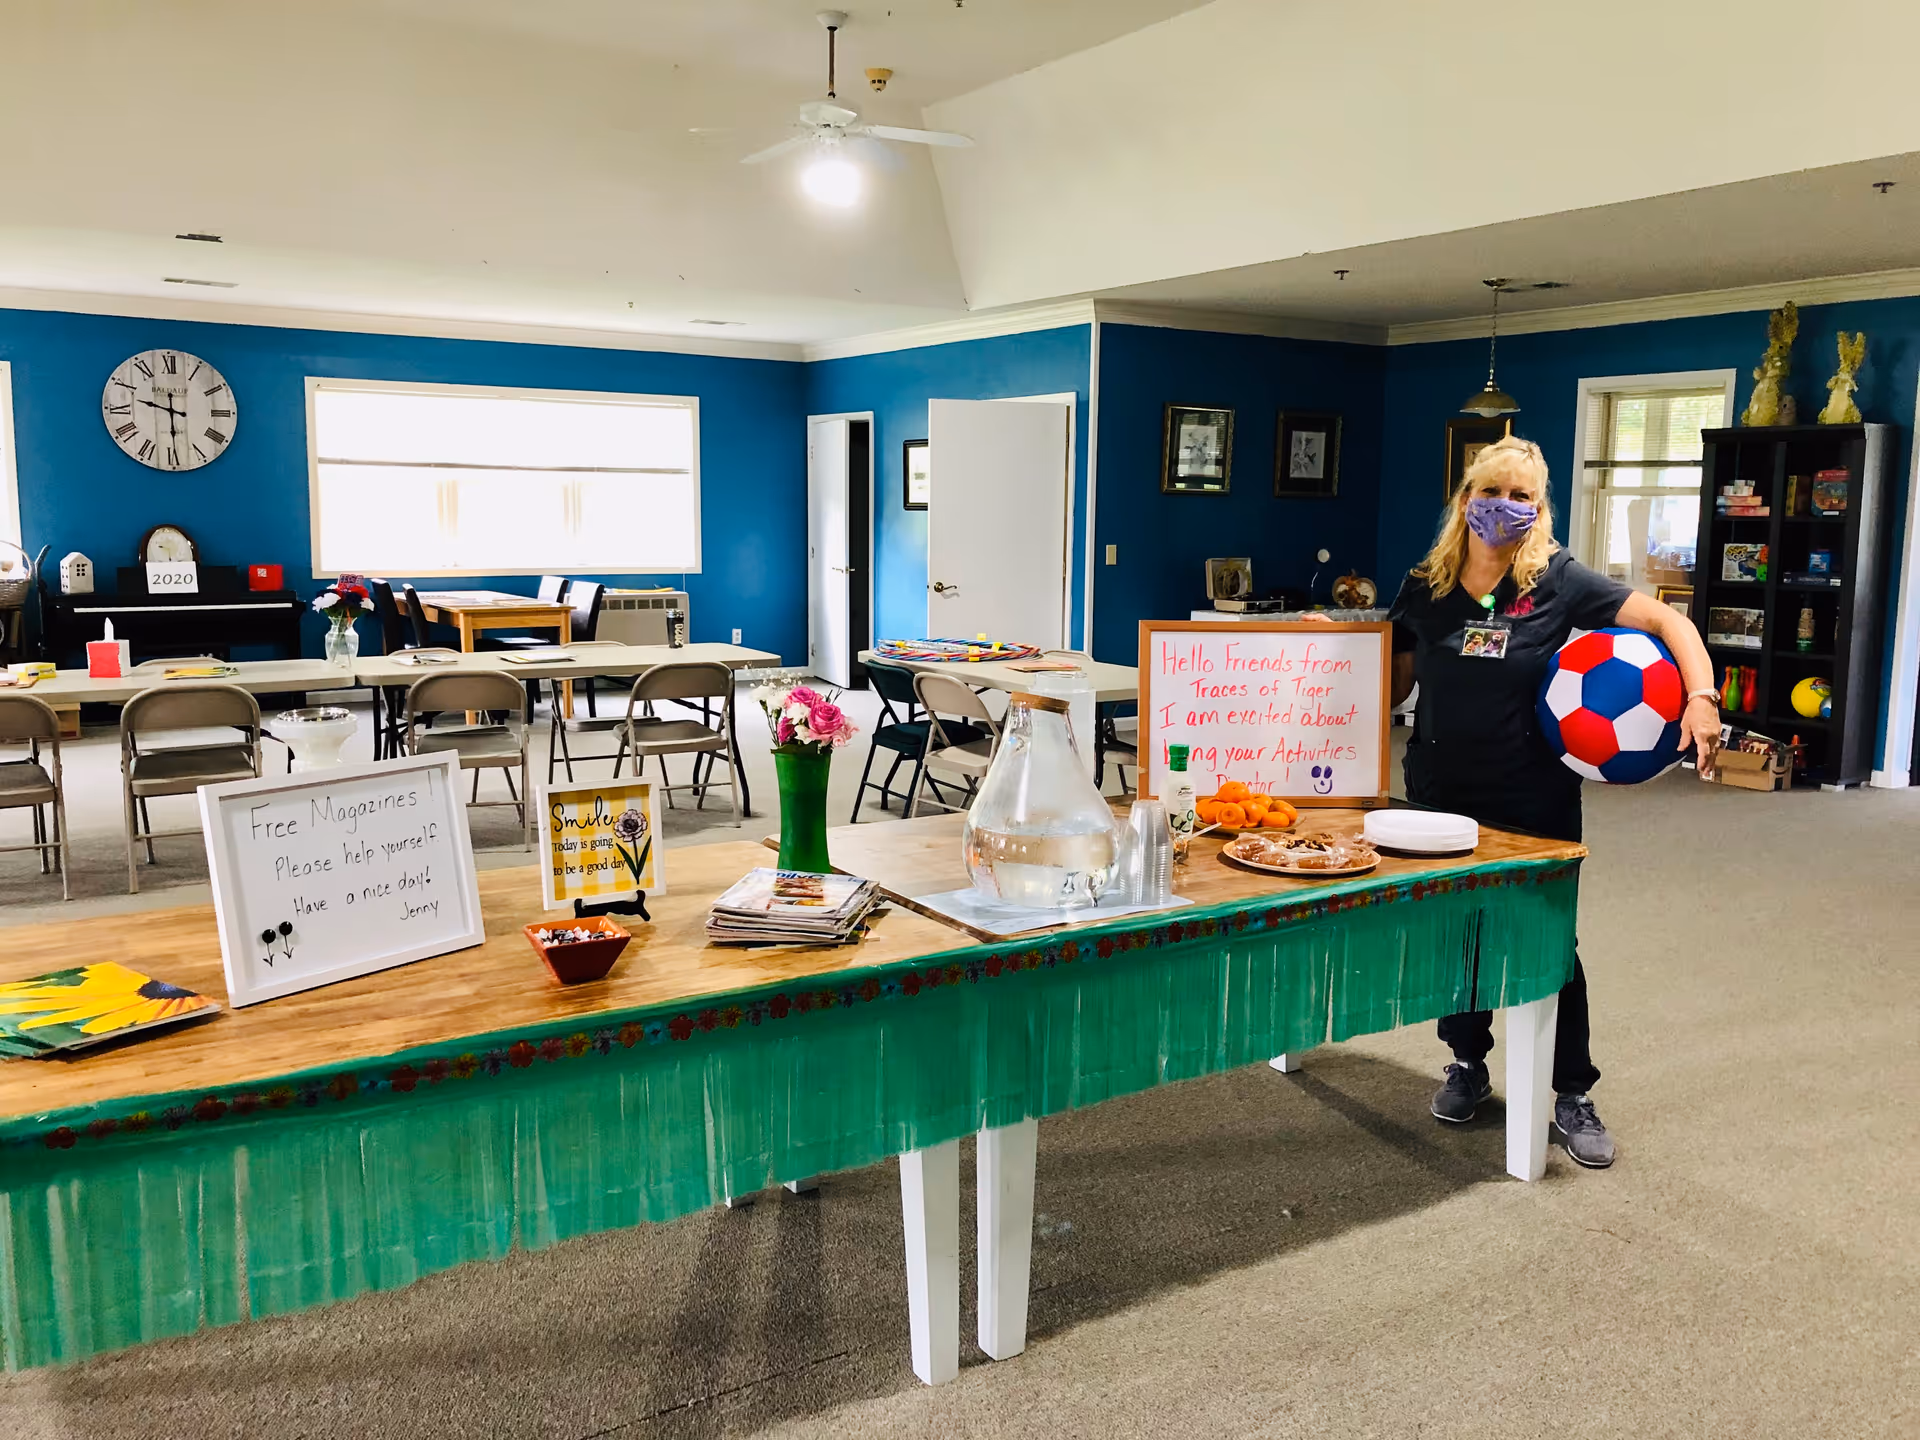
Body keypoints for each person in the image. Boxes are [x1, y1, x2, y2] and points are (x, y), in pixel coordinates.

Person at [1384, 436, 1719, 1168]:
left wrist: (1699, 696)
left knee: (1548, 944)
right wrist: (1326, 652)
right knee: (1460, 938)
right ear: (1465, 498)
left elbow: (1672, 623)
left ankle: (1572, 1092)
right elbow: (1391, 683)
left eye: (1520, 497)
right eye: (1490, 492)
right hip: (1441, 792)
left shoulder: (1559, 581)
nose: (1502, 507)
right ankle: (1466, 1064)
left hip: (1531, 795)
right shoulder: (1425, 586)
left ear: (1538, 509)